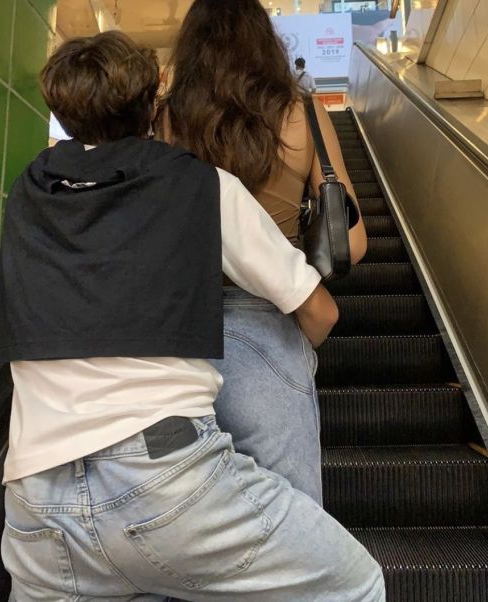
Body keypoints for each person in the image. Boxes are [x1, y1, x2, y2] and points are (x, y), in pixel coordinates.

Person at [0, 31, 385, 601]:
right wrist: (292, 359)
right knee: (355, 584)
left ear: (61, 112)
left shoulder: (26, 194)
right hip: (163, 486)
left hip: (34, 504)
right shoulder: (199, 185)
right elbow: (319, 309)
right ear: (155, 105)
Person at [159, 0, 368, 505]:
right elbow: (353, 243)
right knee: (288, 524)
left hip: (180, 328)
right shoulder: (302, 114)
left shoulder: (167, 120)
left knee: (189, 515)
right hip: (273, 319)